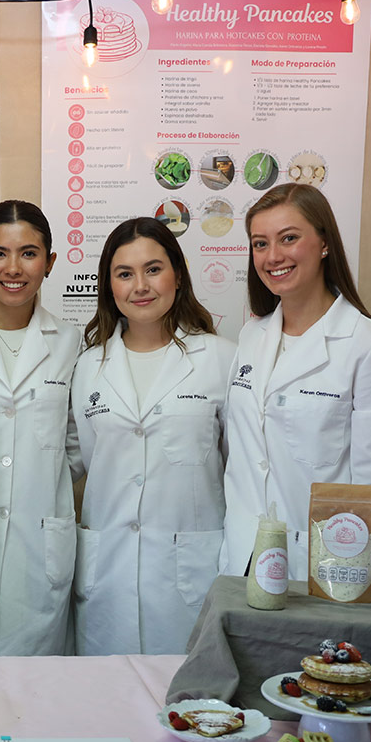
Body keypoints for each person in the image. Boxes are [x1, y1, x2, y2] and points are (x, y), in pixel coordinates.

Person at [220, 183, 371, 579]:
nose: (273, 256)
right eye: (260, 244)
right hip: (242, 560)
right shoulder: (252, 336)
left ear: (324, 243)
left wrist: (348, 585)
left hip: (319, 567)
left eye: (288, 238)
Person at [71, 217, 235, 655]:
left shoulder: (221, 359)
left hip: (189, 574)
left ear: (178, 275)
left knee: (188, 689)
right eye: (125, 274)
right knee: (107, 690)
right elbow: (92, 459)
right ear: (109, 285)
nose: (140, 286)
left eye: (153, 269)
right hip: (108, 573)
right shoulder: (88, 367)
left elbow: (236, 467)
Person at [0, 201, 82, 656]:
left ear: (50, 262)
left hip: (38, 543)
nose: (13, 268)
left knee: (35, 682)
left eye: (29, 253)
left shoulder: (70, 342)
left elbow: (75, 444)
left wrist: (36, 473)